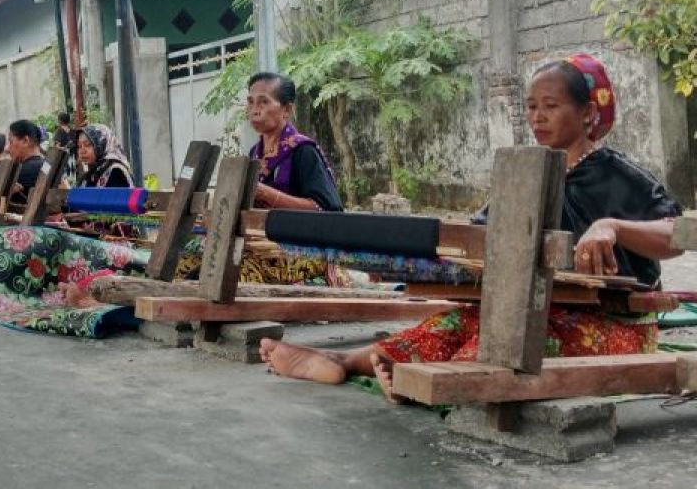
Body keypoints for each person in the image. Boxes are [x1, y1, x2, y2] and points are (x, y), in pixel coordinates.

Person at [259, 54, 685, 402]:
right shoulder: (525, 173)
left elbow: (675, 237)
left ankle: (416, 380)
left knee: (491, 342)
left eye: (551, 106)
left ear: (588, 112)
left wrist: (611, 226)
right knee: (454, 323)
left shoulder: (616, 174)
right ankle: (343, 360)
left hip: (617, 327)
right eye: (532, 106)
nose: (538, 117)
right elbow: (477, 234)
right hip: (541, 309)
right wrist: (403, 261)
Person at [246, 72, 342, 212]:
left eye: (264, 102)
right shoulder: (254, 153)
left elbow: (324, 208)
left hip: (296, 233)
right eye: (250, 102)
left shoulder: (303, 151)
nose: (254, 110)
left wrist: (264, 193)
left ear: (286, 109)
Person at [75, 124, 133, 188]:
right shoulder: (92, 173)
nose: (82, 151)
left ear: (102, 145)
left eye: (88, 145)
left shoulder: (115, 171)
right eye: (79, 146)